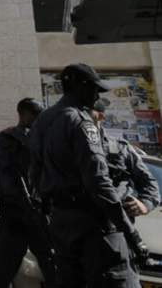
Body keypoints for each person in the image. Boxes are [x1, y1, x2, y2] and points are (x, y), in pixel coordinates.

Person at [30, 63, 143, 286]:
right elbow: (98, 182)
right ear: (78, 87)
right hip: (93, 225)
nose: (96, 95)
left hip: (61, 222)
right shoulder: (81, 122)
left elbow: (34, 171)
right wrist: (131, 234)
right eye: (94, 89)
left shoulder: (42, 120)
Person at [0, 98, 56, 288]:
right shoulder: (1, 141)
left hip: (42, 215)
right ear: (23, 114)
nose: (38, 119)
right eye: (35, 114)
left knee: (55, 268)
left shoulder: (48, 140)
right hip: (12, 215)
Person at [91, 99, 160, 241]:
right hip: (77, 231)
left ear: (101, 116)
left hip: (117, 230)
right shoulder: (66, 148)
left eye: (86, 112)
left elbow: (149, 183)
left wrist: (144, 204)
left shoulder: (120, 148)